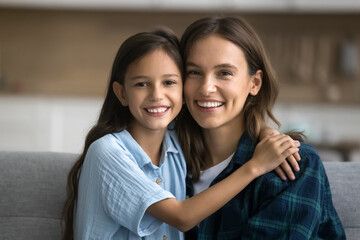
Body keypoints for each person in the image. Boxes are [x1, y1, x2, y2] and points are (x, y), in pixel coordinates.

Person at [61, 28, 301, 240]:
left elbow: (227, 119)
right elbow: (182, 217)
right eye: (141, 84)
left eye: (169, 82)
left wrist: (265, 132)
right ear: (121, 93)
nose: (157, 95)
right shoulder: (108, 152)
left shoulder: (175, 140)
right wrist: (255, 166)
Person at [176, 16, 346, 239]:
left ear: (254, 83)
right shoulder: (168, 164)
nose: (207, 88)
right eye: (194, 72)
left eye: (224, 73)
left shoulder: (293, 164)